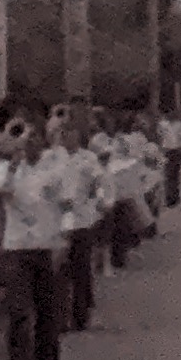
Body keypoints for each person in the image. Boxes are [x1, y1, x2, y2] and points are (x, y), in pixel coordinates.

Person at [0, 125, 66, 360]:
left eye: (34, 137)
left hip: (47, 247)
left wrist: (64, 242)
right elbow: (2, 189)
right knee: (20, 318)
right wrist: (14, 162)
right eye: (23, 137)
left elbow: (64, 206)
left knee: (48, 316)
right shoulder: (4, 169)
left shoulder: (54, 170)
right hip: (17, 248)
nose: (29, 142)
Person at [52, 121, 105, 333]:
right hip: (57, 222)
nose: (67, 136)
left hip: (82, 221)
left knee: (80, 269)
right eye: (63, 133)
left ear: (78, 135)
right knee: (59, 272)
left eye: (71, 132)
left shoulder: (89, 158)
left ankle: (80, 316)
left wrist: (96, 204)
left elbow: (99, 183)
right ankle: (60, 319)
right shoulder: (51, 158)